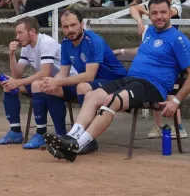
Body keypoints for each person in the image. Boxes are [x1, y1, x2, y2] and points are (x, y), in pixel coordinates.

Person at [44, 0, 190, 162]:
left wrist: (176, 101)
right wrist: (120, 51)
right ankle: (70, 138)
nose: (159, 16)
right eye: (154, 13)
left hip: (152, 86)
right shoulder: (150, 32)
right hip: (131, 79)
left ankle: (77, 146)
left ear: (171, 13)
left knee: (112, 100)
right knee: (92, 95)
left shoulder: (178, 39)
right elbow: (143, 50)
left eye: (163, 12)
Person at [35, 9, 128, 151]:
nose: (70, 30)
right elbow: (63, 72)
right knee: (52, 89)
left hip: (115, 82)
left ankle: (88, 141)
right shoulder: (66, 43)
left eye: (73, 25)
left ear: (82, 24)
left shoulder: (94, 41)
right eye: (66, 27)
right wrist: (52, 83)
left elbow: (89, 76)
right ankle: (61, 137)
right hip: (93, 83)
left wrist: (58, 81)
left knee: (82, 87)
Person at [0, 16, 77, 148]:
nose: (17, 37)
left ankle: (44, 134)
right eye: (17, 33)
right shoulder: (27, 47)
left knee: (36, 85)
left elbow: (45, 72)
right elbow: (17, 74)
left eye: (20, 33)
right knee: (8, 85)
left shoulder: (46, 42)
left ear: (32, 31)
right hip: (49, 82)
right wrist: (11, 55)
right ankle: (15, 132)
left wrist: (18, 83)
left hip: (69, 82)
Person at [127, 0, 187, 139]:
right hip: (152, 50)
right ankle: (159, 126)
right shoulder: (153, 4)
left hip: (169, 55)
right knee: (153, 89)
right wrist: (139, 20)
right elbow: (133, 8)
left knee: (169, 92)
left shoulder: (176, 5)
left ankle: (179, 126)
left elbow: (170, 12)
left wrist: (150, 11)